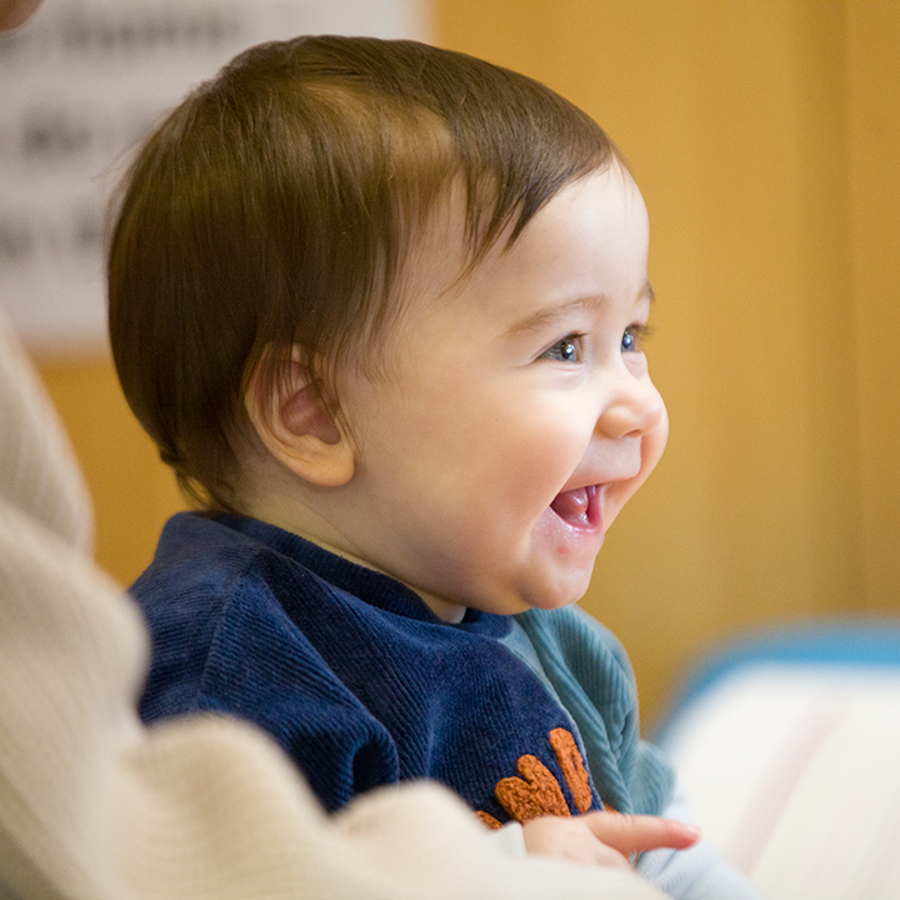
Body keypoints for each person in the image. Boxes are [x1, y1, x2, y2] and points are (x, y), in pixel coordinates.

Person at [107, 35, 761, 898]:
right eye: (565, 346)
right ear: (315, 412)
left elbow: (657, 842)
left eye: (630, 338)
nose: (638, 404)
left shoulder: (534, 629)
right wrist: (499, 873)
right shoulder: (231, 667)